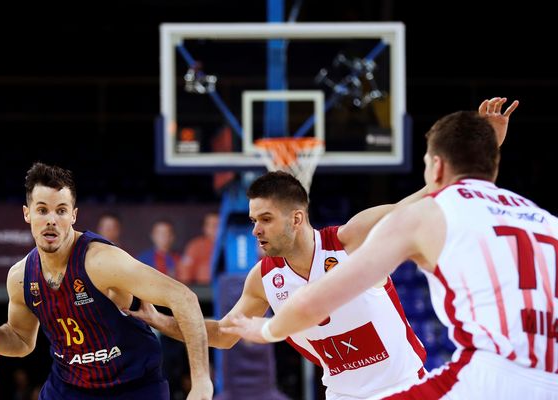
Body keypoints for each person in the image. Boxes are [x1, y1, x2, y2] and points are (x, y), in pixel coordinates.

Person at [224, 99, 558, 399]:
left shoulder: (415, 217)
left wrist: (267, 330)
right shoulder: (544, 219)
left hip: (482, 374)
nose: (256, 229)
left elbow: (314, 302)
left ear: (437, 168)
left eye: (427, 162)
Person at [128, 176, 431, 399]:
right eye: (253, 220)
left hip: (408, 389)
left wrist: (476, 146)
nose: (255, 229)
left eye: (266, 219)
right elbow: (222, 335)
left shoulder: (351, 240)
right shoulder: (263, 279)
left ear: (296, 218)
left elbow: (424, 200)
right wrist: (160, 320)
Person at [0, 162, 213, 400]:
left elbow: (183, 297)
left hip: (133, 386)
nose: (51, 220)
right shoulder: (20, 277)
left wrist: (201, 380)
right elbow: (21, 340)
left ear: (74, 216)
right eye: (42, 210)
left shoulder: (101, 262)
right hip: (68, 388)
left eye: (61, 211)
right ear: (27, 214)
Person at [177, 212, 219, 285]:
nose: (215, 228)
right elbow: (185, 270)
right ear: (205, 228)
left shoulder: (230, 245)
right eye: (211, 225)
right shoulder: (196, 246)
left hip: (225, 289)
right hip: (202, 289)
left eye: (218, 225)